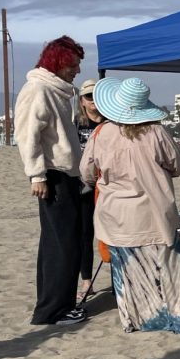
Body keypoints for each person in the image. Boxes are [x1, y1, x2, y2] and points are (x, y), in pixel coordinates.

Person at [80, 77, 180, 334]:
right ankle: (178, 313)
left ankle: (138, 319)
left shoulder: (101, 133)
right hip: (154, 212)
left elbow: (86, 172)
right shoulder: (157, 132)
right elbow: (177, 165)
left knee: (129, 272)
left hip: (117, 214)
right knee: (168, 267)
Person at [15, 36, 87, 326]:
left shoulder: (58, 92)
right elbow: (26, 135)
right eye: (74, 64)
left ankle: (58, 305)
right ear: (58, 61)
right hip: (52, 176)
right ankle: (53, 310)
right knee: (62, 245)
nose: (77, 70)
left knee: (63, 242)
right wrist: (37, 175)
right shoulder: (38, 89)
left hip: (66, 175)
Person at [74, 79, 105, 302]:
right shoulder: (75, 124)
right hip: (83, 187)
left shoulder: (109, 123)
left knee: (111, 233)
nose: (92, 101)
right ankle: (87, 281)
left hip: (106, 186)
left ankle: (119, 277)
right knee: (85, 234)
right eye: (88, 97)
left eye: (96, 96)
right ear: (82, 101)